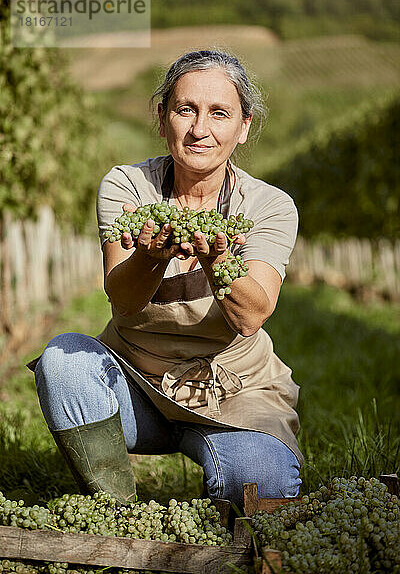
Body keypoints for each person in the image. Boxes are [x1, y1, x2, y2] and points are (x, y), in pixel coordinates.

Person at [30, 49, 303, 510]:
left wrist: (217, 262)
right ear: (162, 119)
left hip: (233, 391)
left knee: (260, 484)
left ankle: (224, 484)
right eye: (185, 110)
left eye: (219, 113)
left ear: (244, 127)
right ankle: (114, 514)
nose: (200, 129)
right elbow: (123, 299)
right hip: (135, 386)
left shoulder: (269, 206)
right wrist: (151, 257)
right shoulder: (126, 187)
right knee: (63, 360)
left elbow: (252, 315)